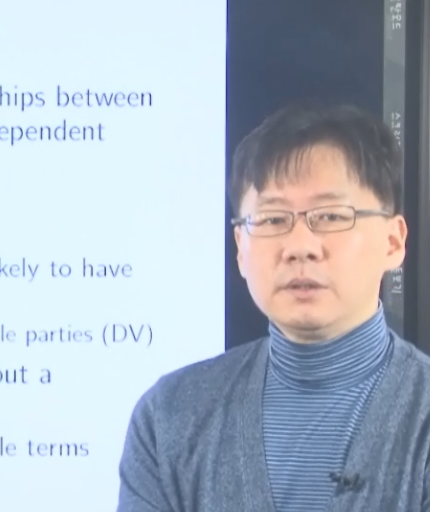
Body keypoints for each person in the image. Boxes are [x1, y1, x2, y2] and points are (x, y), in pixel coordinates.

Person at [116, 102, 430, 512]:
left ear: (393, 242)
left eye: (331, 216)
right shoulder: (169, 417)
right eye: (272, 220)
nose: (299, 247)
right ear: (240, 249)